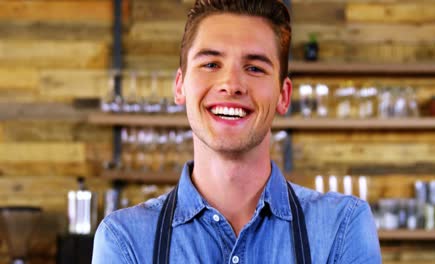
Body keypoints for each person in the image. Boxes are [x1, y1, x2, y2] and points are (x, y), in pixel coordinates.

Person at [92, 0, 382, 263]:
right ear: (180, 86)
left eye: (254, 68)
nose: (231, 84)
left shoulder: (341, 226)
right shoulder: (124, 239)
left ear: (283, 95)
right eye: (210, 64)